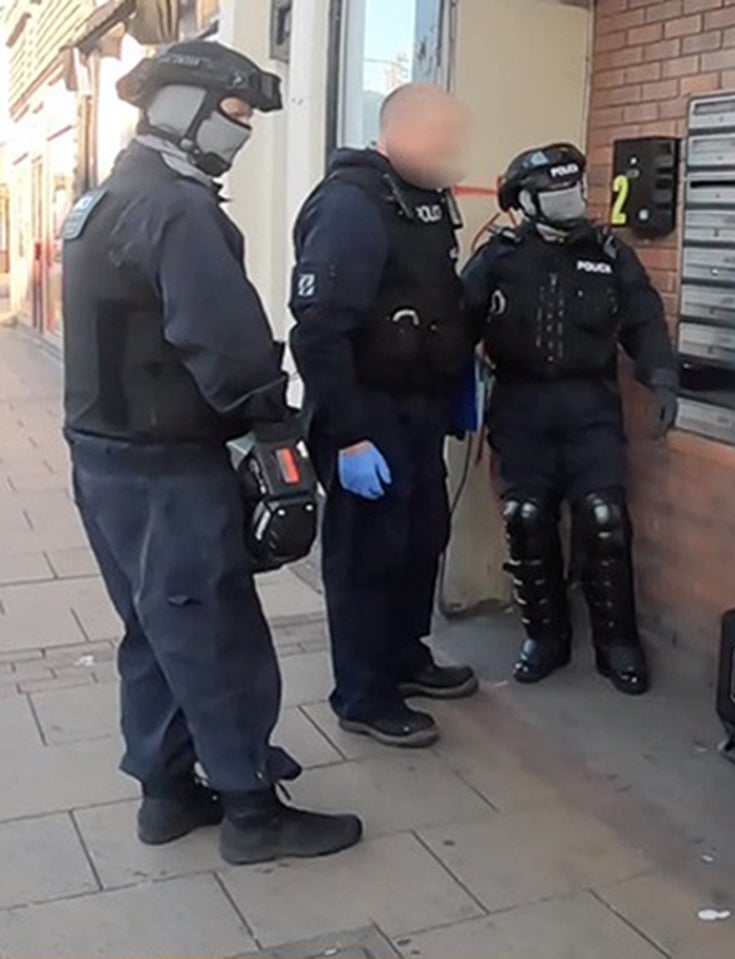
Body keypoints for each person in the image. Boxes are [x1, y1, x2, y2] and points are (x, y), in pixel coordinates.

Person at [61, 41, 362, 865]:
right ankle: (252, 809)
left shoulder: (101, 200)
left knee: (153, 627)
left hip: (106, 461)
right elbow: (225, 343)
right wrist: (275, 438)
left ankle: (165, 793)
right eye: (232, 114)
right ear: (176, 108)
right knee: (214, 628)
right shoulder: (177, 209)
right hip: (166, 469)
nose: (243, 134)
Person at [289, 83, 479, 749]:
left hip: (418, 408)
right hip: (364, 411)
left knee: (421, 537)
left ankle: (404, 655)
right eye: (442, 138)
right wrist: (348, 437)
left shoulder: (423, 200)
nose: (454, 153)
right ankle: (363, 692)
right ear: (397, 132)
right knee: (368, 554)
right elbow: (316, 333)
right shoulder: (351, 204)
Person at [461, 143, 678, 696]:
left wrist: (661, 375)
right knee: (527, 517)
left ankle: (618, 645)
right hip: (523, 405)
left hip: (590, 408)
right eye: (558, 193)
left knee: (603, 518)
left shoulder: (608, 254)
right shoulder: (501, 255)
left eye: (576, 189)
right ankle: (545, 637)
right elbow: (457, 322)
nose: (572, 200)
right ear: (528, 202)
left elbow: (644, 319)